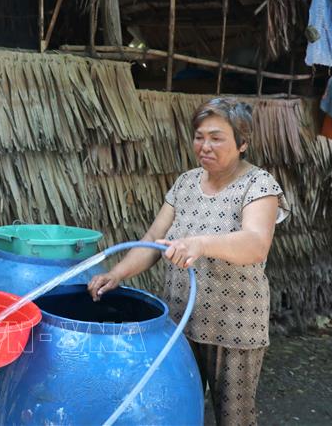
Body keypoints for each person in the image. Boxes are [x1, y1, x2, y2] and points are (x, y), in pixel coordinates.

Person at [88, 98, 289, 426]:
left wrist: (200, 244)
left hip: (234, 326)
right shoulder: (185, 183)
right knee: (179, 408)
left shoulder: (259, 185)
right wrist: (117, 273)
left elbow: (256, 244)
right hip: (181, 321)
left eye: (216, 137)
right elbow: (153, 241)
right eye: (199, 136)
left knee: (234, 419)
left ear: (243, 143)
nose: (204, 146)